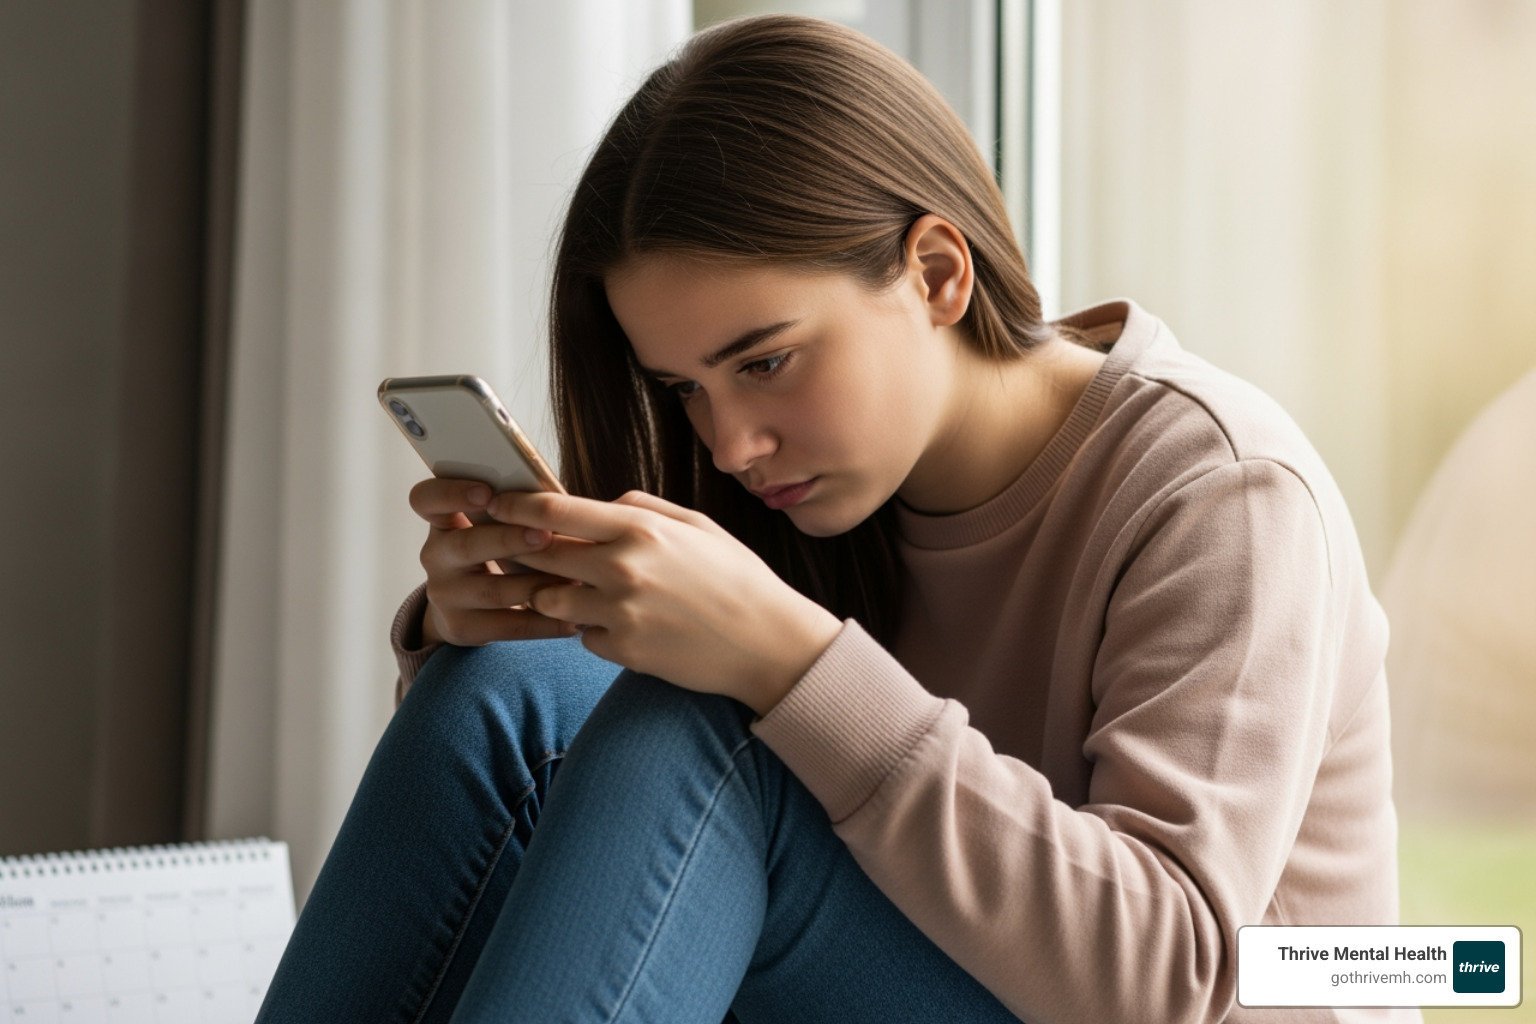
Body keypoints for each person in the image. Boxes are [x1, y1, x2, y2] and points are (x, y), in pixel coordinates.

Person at [256, 14, 1413, 1024]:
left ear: (938, 274)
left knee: (708, 735)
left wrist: (791, 658)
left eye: (765, 360)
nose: (728, 444)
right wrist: (503, 618)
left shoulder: (1220, 489)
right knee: (508, 687)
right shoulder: (809, 488)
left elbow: (1170, 976)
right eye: (685, 390)